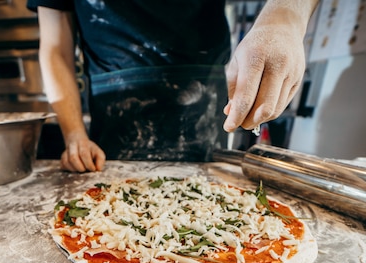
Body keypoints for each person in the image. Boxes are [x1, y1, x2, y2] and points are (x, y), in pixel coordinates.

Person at [27, 0, 319, 172]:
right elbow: (56, 49)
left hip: (205, 101)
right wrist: (75, 134)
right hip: (116, 114)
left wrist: (284, 19)